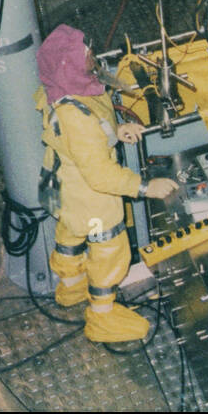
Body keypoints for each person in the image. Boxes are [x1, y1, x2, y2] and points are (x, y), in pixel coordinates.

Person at [35, 24, 177, 343]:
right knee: (110, 251)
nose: (92, 55)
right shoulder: (78, 117)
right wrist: (145, 187)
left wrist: (116, 131)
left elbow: (83, 136)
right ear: (67, 64)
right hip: (91, 199)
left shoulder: (61, 91)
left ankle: (70, 287)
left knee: (69, 234)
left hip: (60, 184)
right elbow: (99, 173)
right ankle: (102, 317)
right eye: (85, 53)